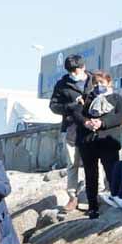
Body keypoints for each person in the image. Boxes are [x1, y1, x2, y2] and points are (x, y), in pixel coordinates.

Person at [76, 68, 122, 219]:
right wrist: (86, 123)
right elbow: (77, 114)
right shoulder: (86, 98)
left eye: (102, 82)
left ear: (109, 82)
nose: (99, 85)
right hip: (88, 143)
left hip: (108, 142)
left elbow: (121, 116)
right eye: (96, 83)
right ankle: (93, 207)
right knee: (91, 176)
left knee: (112, 173)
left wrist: (102, 123)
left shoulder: (116, 98)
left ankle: (116, 201)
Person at [47, 53, 91, 213]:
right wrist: (71, 106)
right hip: (71, 128)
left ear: (83, 67)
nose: (73, 73)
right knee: (72, 163)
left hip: (92, 127)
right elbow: (53, 106)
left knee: (92, 162)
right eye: (70, 71)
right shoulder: (62, 84)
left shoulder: (93, 80)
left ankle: (91, 194)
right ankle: (73, 196)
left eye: (76, 70)